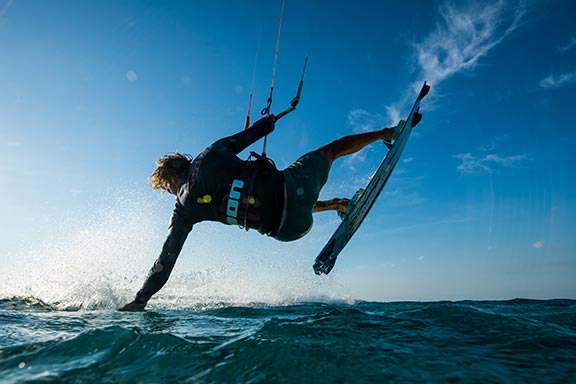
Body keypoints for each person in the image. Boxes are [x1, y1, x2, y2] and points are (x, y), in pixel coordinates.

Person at [119, 115, 395, 311]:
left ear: (170, 182)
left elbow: (166, 258)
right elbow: (258, 131)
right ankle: (386, 133)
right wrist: (269, 121)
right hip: (292, 190)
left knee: (272, 202)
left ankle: (337, 204)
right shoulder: (211, 152)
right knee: (330, 151)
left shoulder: (182, 210)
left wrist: (142, 298)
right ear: (185, 162)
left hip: (288, 231)